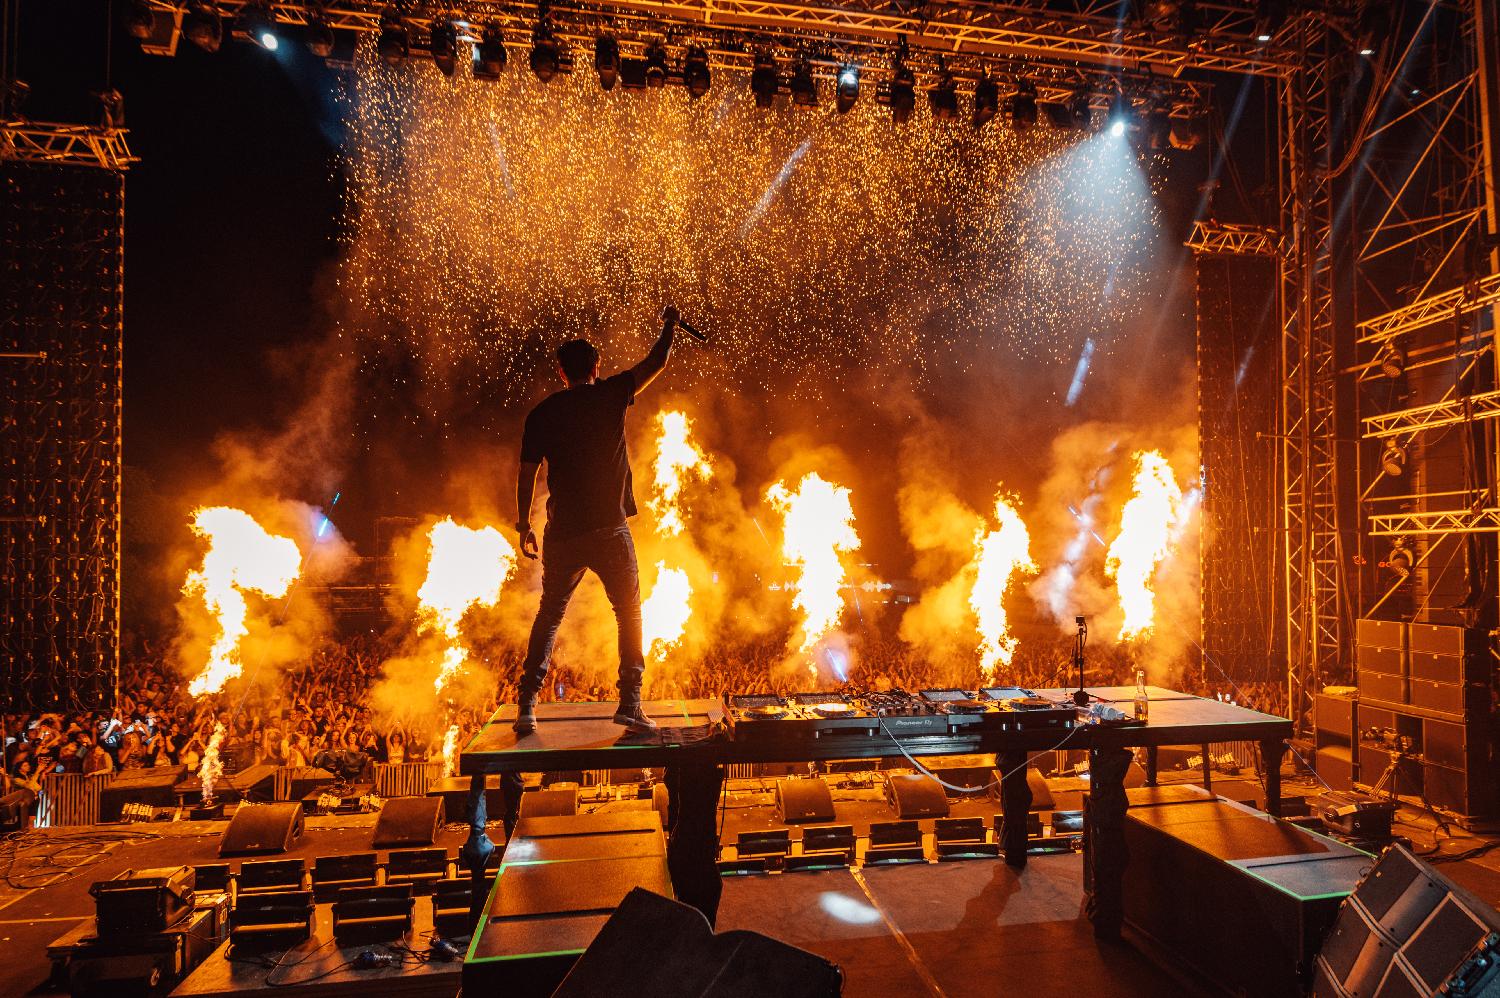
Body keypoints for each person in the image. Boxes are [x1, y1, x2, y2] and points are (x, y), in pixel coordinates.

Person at [511, 305, 680, 735]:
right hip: (608, 528)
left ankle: (526, 705)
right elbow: (657, 361)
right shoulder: (611, 394)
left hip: (563, 532)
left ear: (561, 372)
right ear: (596, 366)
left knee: (550, 615)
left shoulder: (542, 413)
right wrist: (669, 325)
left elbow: (527, 474)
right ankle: (631, 703)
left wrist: (522, 524)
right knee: (629, 613)